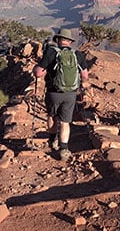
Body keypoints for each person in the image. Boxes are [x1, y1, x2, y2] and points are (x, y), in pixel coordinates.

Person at [33, 28, 89, 161]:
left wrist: (35, 68)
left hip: (53, 92)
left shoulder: (51, 52)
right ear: (69, 41)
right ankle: (64, 149)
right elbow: (85, 75)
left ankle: (53, 140)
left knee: (52, 115)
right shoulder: (77, 54)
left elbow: (39, 73)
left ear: (58, 40)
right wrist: (79, 82)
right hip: (70, 94)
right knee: (65, 122)